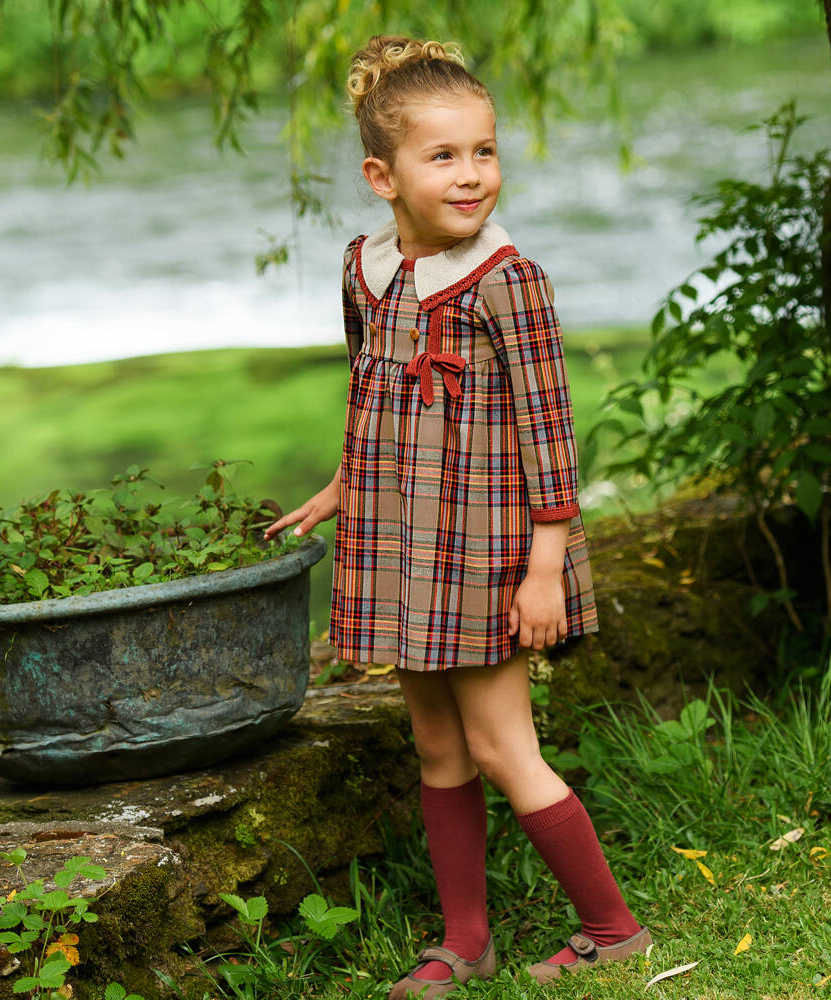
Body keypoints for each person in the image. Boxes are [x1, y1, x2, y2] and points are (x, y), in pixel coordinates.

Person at [264, 34, 651, 998]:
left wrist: (545, 565)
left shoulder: (507, 279)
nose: (472, 174)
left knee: (501, 746)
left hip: (487, 551)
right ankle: (465, 943)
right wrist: (345, 482)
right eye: (443, 156)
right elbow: (369, 387)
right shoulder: (365, 269)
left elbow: (550, 430)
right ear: (382, 176)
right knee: (438, 748)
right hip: (400, 541)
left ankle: (613, 929)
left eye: (485, 150)